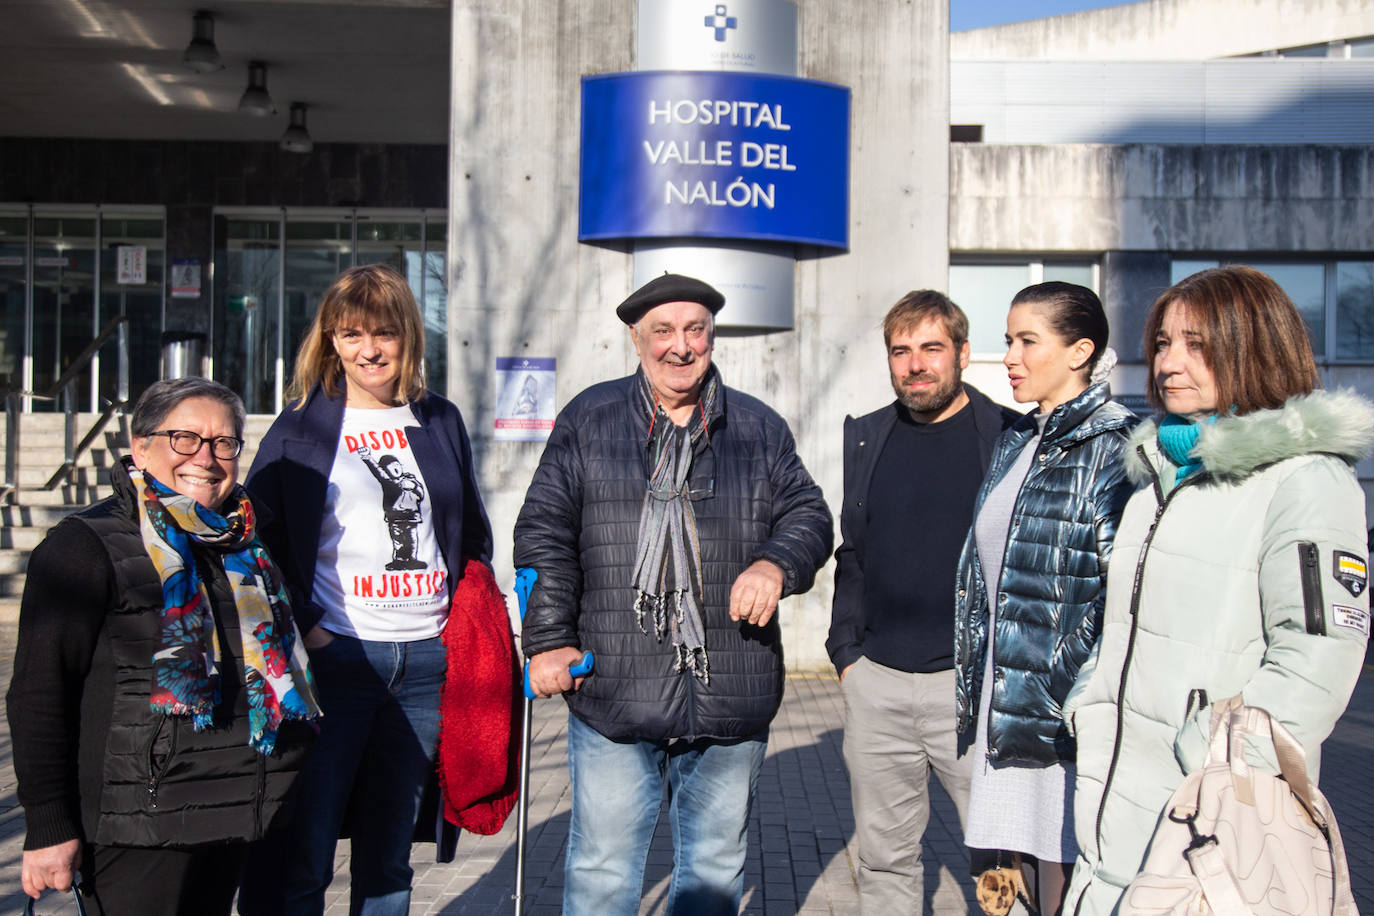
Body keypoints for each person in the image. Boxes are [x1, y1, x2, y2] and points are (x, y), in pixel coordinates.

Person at [514, 273, 833, 916]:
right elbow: (544, 530)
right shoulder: (589, 420)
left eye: (696, 330)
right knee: (603, 870)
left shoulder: (758, 428)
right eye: (663, 331)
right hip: (613, 689)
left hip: (730, 688)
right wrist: (549, 639)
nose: (680, 347)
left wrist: (775, 564)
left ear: (713, 335)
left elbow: (810, 515)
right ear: (637, 337)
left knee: (714, 872)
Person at [1062, 265, 1373, 915]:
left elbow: (1320, 659)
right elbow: (1124, 622)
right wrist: (1090, 695)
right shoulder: (1157, 478)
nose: (1170, 361)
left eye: (1196, 343)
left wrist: (1218, 756)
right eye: (1165, 341)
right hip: (1112, 807)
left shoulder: (1306, 481)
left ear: (1254, 345)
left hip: (1210, 822)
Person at [6, 377, 320, 915]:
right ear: (140, 445)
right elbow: (39, 694)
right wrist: (48, 827)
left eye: (224, 442)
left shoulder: (245, 544)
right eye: (185, 439)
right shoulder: (83, 547)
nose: (207, 457)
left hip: (232, 811)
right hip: (137, 824)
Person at [240, 263, 498, 915]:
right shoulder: (301, 426)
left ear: (408, 335)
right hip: (338, 662)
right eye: (351, 334)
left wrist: (458, 626)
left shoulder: (438, 419)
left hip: (423, 665)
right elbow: (255, 544)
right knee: (307, 851)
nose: (370, 349)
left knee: (389, 859)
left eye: (383, 332)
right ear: (329, 340)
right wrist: (313, 628)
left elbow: (468, 531)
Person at [826, 290, 1021, 913]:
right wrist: (847, 654)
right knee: (884, 862)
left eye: (931, 348)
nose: (915, 364)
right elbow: (852, 551)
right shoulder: (868, 438)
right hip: (877, 684)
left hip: (974, 688)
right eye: (901, 351)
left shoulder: (1010, 440)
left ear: (963, 353)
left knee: (1003, 867)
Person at [952, 282, 1136, 916]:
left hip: (1062, 731)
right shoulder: (1017, 441)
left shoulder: (1115, 450)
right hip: (1001, 718)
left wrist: (1080, 698)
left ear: (1081, 350)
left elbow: (1123, 600)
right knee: (1004, 897)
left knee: (1062, 893)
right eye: (1009, 340)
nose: (1010, 356)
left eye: (1028, 341)